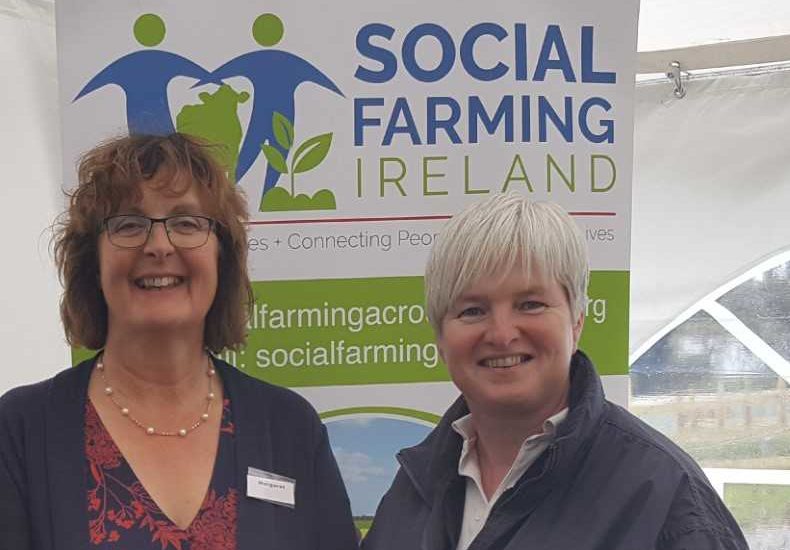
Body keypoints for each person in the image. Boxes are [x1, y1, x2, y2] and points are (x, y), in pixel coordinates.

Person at [0, 134, 357, 550]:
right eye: (128, 224)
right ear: (93, 262)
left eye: (186, 223)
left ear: (221, 258)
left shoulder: (289, 427)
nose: (159, 245)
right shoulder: (21, 431)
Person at [362, 193, 748, 550]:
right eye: (472, 310)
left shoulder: (666, 498)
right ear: (440, 339)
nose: (501, 334)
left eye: (530, 304)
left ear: (577, 322)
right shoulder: (413, 488)